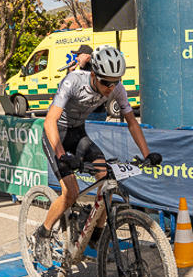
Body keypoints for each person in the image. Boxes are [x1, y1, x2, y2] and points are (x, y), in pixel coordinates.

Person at [31, 45, 162, 247]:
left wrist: (147, 154)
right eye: (105, 82)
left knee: (107, 179)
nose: (110, 87)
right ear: (93, 74)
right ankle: (41, 234)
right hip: (56, 134)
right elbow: (49, 121)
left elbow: (132, 122)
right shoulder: (73, 81)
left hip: (78, 133)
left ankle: (96, 235)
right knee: (71, 193)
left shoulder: (117, 88)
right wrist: (62, 155)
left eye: (115, 82)